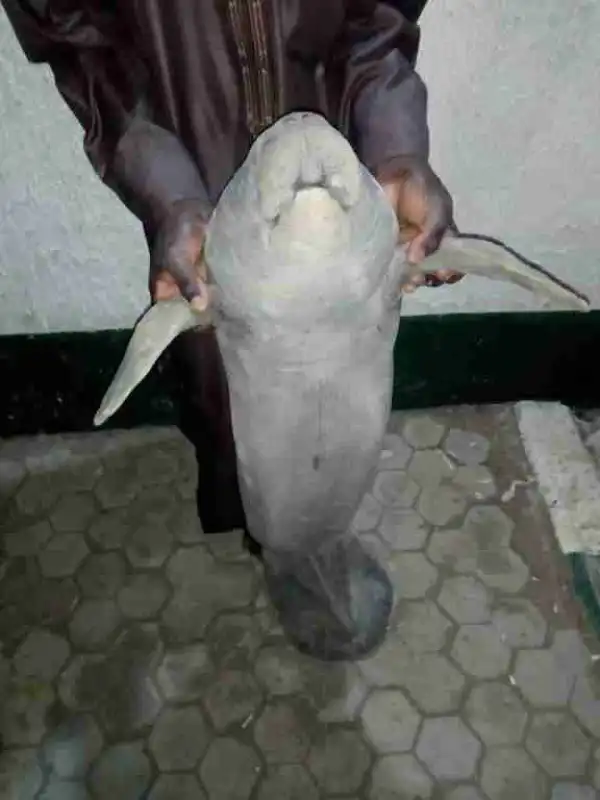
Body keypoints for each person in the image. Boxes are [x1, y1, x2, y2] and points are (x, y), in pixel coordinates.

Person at [2, 0, 462, 660]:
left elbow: (379, 21)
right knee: (222, 401)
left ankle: (321, 531)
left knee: (345, 399)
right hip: (206, 208)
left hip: (341, 193)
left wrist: (394, 148)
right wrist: (172, 195)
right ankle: (278, 547)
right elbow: (89, 55)